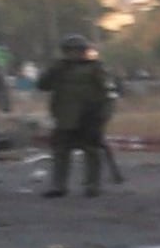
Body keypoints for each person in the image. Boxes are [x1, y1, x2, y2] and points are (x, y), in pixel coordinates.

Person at [37, 36, 116, 196]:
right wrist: (52, 70)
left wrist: (103, 116)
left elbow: (108, 93)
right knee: (60, 152)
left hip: (89, 116)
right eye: (71, 51)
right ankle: (58, 185)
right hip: (64, 118)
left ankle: (92, 185)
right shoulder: (59, 69)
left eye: (78, 50)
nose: (75, 54)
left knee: (91, 151)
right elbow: (42, 86)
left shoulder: (95, 68)